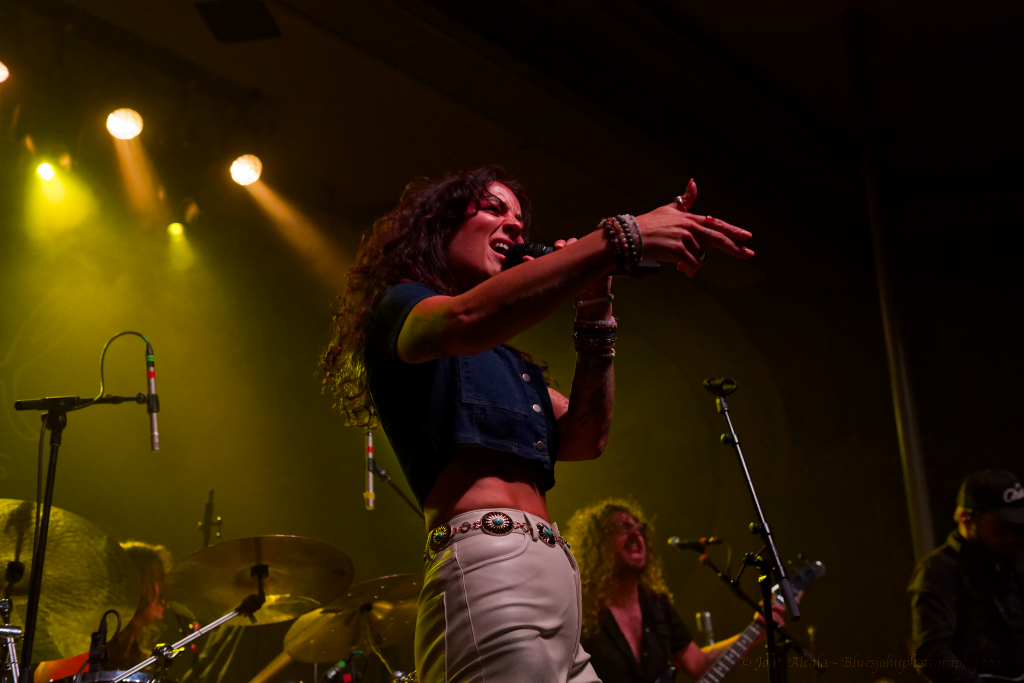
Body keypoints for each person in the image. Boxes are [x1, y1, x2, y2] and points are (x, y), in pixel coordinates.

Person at [320, 166, 754, 683]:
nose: (516, 228)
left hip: (554, 575)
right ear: (439, 227)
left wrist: (595, 306)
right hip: (490, 566)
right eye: (494, 209)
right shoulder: (405, 307)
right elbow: (465, 321)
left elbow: (586, 437)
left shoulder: (508, 361)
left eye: (520, 220)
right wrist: (619, 237)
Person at [565, 498, 785, 683]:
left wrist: (758, 631)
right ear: (597, 544)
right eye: (622, 528)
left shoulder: (655, 603)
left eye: (639, 528)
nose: (636, 534)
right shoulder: (578, 608)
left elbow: (698, 664)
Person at [908, 469, 1024, 683]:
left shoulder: (1015, 563)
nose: (1011, 538)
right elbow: (932, 654)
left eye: (1017, 528)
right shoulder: (938, 570)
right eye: (1000, 529)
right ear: (966, 518)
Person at [33, 542, 171, 682]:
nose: (165, 587)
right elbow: (47, 675)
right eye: (158, 579)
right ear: (136, 584)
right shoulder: (88, 645)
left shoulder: (133, 650)